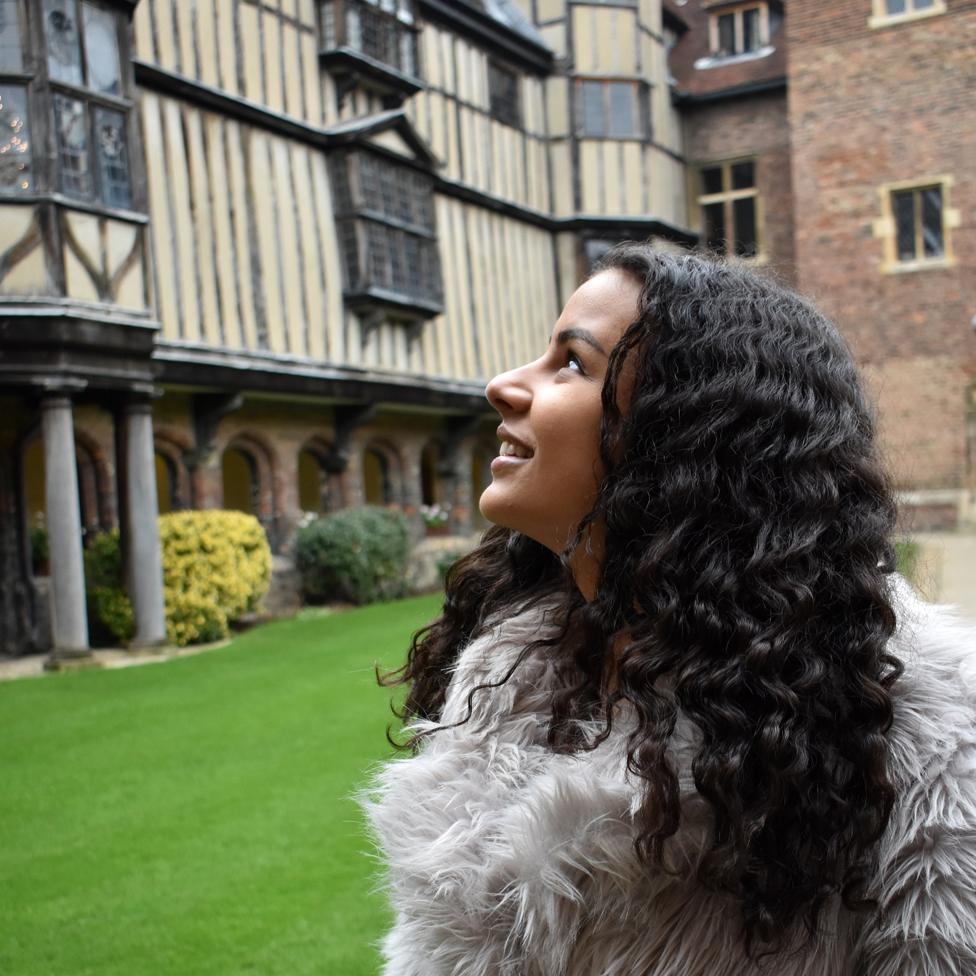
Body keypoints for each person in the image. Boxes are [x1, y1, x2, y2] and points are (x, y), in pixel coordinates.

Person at [363, 244, 976, 975]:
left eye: (571, 364)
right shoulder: (501, 685)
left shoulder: (918, 727)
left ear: (686, 438)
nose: (503, 386)